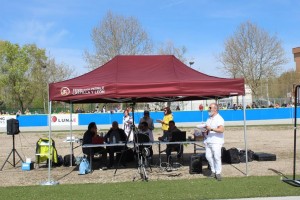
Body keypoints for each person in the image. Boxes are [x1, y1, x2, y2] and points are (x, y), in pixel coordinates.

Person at [203, 103, 225, 181]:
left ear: (215, 109)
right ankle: (213, 171)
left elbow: (221, 130)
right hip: (208, 141)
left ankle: (218, 173)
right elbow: (208, 128)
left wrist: (211, 129)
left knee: (217, 157)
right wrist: (205, 130)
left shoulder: (219, 118)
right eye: (209, 108)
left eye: (210, 108)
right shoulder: (209, 118)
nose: (209, 109)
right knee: (208, 156)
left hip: (216, 141)